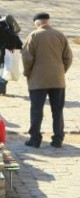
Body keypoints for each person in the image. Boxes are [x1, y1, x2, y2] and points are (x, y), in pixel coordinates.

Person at [21, 12, 73, 148]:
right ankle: (58, 139)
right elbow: (68, 57)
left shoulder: (34, 35)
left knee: (36, 110)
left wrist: (28, 73)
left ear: (36, 23)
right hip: (58, 80)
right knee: (57, 110)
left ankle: (35, 139)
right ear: (48, 21)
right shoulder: (60, 35)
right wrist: (61, 71)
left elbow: (27, 58)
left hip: (38, 81)